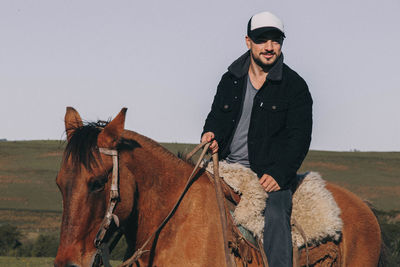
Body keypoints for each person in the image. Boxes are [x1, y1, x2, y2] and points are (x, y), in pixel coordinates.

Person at [201, 11, 313, 266]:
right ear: (248, 41)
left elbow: (299, 138)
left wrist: (279, 174)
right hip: (226, 167)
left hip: (268, 175)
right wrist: (210, 135)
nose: (269, 47)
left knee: (275, 215)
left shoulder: (295, 86)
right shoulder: (230, 79)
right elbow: (215, 118)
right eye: (262, 39)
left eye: (275, 40)